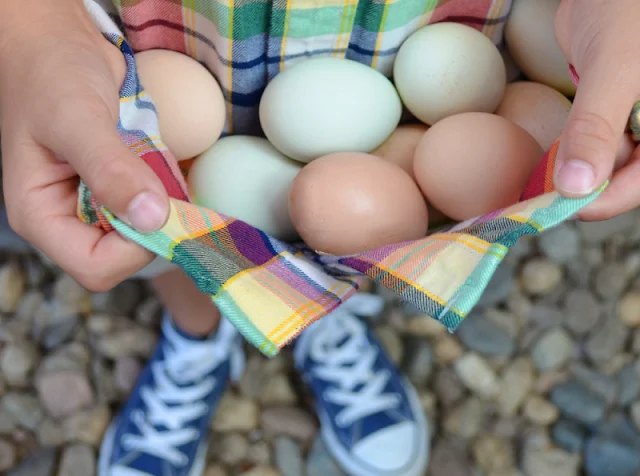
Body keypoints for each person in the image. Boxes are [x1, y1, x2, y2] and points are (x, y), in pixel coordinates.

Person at [0, 0, 638, 475]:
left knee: (378, 229)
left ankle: (317, 314)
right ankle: (196, 334)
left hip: (425, 69)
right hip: (161, 64)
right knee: (162, 227)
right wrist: (31, 28)